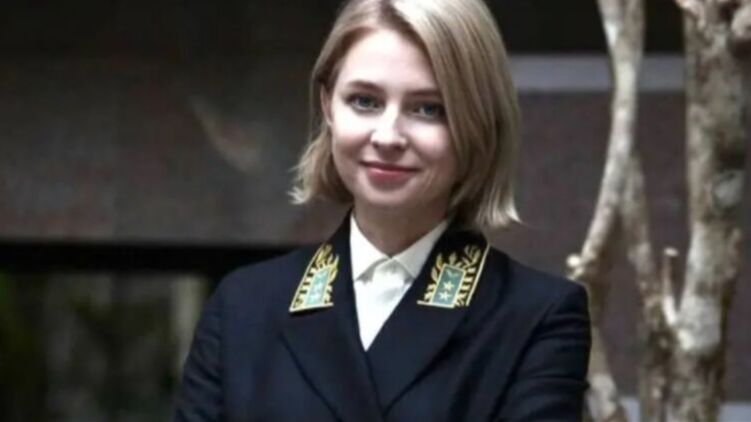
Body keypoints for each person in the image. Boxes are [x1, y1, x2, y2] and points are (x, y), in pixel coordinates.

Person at [174, 0, 591, 420]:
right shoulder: (243, 307)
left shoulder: (537, 318)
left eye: (428, 108)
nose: (388, 136)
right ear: (328, 105)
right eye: (365, 101)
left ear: (477, 123)